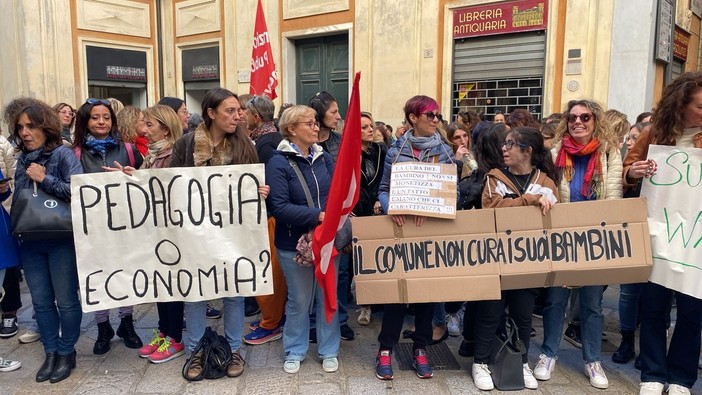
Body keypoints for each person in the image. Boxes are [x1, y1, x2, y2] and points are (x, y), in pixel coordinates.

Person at [170, 87, 266, 380]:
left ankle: (234, 349)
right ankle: (196, 351)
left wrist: (260, 192)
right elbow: (169, 183)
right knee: (196, 292)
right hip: (195, 232)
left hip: (233, 233)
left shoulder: (245, 144)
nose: (238, 116)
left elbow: (250, 184)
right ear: (211, 113)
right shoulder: (186, 145)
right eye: (230, 111)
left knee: (234, 292)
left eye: (239, 110)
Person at [534, 99, 622, 390]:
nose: (578, 122)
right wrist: (545, 195)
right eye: (572, 117)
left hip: (596, 237)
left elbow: (614, 194)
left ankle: (592, 359)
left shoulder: (609, 152)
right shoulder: (555, 152)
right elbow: (546, 184)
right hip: (562, 237)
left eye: (585, 117)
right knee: (555, 300)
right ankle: (548, 354)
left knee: (592, 304)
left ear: (595, 120)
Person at [624, 72, 702, 395]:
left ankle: (681, 378)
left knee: (692, 310)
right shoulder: (655, 134)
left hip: (695, 240)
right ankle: (653, 373)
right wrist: (634, 171)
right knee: (653, 306)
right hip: (659, 233)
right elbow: (628, 168)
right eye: (700, 106)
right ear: (681, 105)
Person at [375, 95, 456, 381]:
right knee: (397, 294)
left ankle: (421, 347)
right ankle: (385, 349)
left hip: (430, 233)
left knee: (427, 293)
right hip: (401, 233)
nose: (436, 120)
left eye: (437, 116)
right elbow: (383, 189)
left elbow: (451, 193)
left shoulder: (444, 152)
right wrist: (390, 207)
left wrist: (431, 210)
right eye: (430, 115)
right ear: (413, 118)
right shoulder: (396, 150)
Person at [473, 127, 560, 391]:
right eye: (504, 144)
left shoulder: (546, 182)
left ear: (528, 151)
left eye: (511, 144)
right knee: (491, 312)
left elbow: (555, 215)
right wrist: (527, 201)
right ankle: (481, 362)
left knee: (524, 315)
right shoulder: (494, 178)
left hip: (528, 261)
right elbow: (492, 208)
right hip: (496, 258)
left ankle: (522, 362)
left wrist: (546, 202)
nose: (504, 149)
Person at [6, 98, 83, 383]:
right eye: (20, 127)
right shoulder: (21, 159)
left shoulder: (63, 155)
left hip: (60, 239)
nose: (25, 132)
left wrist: (45, 178)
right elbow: (24, 202)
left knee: (65, 300)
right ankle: (50, 352)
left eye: (31, 126)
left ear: (45, 127)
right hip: (30, 240)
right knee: (40, 302)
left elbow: (79, 191)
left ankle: (66, 351)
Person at [265, 105, 340, 374]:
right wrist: (319, 216)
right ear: (291, 129)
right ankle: (294, 350)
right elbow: (279, 206)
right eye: (309, 124)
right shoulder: (278, 162)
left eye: (315, 123)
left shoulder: (323, 157)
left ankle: (329, 349)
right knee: (299, 300)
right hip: (293, 243)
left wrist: (335, 214)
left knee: (327, 296)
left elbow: (337, 190)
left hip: (327, 241)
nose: (316, 127)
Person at [73, 98, 144, 355]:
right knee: (99, 272)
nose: (101, 122)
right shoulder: (76, 153)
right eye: (95, 117)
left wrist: (130, 175)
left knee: (126, 270)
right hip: (93, 227)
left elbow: (146, 181)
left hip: (125, 223)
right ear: (85, 121)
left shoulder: (127, 148)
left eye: (106, 117)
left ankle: (126, 322)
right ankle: (103, 326)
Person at [118, 105, 185, 363]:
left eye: (149, 125)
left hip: (170, 232)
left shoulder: (172, 154)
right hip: (154, 230)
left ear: (165, 129)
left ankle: (174, 337)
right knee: (159, 284)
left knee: (171, 285)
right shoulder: (153, 154)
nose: (143, 129)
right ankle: (163, 331)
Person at [308, 91, 354, 342]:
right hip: (315, 216)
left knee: (342, 272)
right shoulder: (308, 143)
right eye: (333, 111)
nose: (338, 116)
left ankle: (341, 319)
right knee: (316, 272)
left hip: (340, 218)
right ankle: (314, 322)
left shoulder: (341, 142)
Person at [243, 95, 287, 346]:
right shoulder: (269, 140)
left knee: (269, 272)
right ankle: (271, 319)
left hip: (269, 217)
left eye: (245, 113)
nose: (242, 117)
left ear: (256, 117)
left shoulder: (267, 144)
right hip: (269, 216)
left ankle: (272, 323)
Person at [354, 111, 387, 327]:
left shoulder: (380, 150)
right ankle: (363, 305)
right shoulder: (347, 153)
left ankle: (377, 300)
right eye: (364, 127)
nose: (370, 130)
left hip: (376, 209)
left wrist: (379, 200)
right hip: (357, 210)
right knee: (359, 260)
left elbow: (384, 178)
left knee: (377, 258)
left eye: (371, 126)